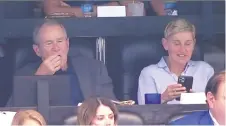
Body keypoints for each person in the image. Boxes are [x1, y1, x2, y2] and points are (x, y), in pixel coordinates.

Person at [15, 19, 116, 105]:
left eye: (59, 41)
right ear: (37, 50)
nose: (56, 48)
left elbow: (112, 106)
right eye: (49, 43)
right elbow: (15, 113)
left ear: (67, 44)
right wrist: (40, 76)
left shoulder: (94, 68)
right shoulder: (24, 74)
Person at [137, 18, 214, 104]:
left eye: (188, 44)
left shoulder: (205, 70)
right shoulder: (150, 73)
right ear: (165, 44)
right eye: (177, 44)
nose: (183, 50)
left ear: (194, 44)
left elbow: (218, 104)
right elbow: (143, 110)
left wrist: (196, 99)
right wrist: (163, 98)